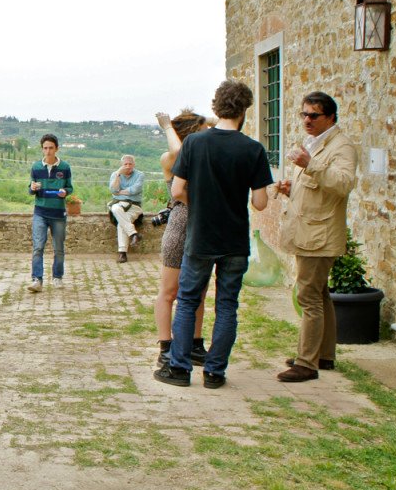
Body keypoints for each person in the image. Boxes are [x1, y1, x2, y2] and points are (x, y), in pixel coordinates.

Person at [155, 80, 273, 389]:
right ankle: (215, 372)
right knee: (227, 305)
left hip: (201, 236)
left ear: (215, 107)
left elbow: (178, 190)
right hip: (234, 240)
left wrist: (206, 202)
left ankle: (179, 369)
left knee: (188, 301)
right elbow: (260, 203)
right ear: (244, 110)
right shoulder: (254, 149)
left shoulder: (195, 144)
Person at [275, 92, 357, 382]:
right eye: (304, 114)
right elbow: (317, 189)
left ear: (330, 117)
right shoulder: (317, 143)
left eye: (314, 115)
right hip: (309, 231)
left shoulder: (341, 146)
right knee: (320, 294)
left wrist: (310, 164)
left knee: (308, 295)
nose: (307, 120)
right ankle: (323, 355)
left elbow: (344, 184)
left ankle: (306, 364)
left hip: (319, 235)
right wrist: (291, 189)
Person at [153, 111, 210, 367]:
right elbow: (177, 153)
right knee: (169, 292)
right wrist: (167, 127)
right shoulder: (170, 158)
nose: (208, 134)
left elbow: (228, 128)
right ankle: (165, 347)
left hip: (203, 228)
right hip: (180, 226)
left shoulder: (204, 157)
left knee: (199, 293)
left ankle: (196, 345)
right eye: (202, 130)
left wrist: (210, 120)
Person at [27, 134, 73, 292]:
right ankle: (37, 280)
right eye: (45, 148)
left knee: (58, 248)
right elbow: (30, 189)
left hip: (58, 214)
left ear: (57, 149)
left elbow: (70, 187)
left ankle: (57, 277)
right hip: (40, 212)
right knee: (38, 247)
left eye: (51, 148)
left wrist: (65, 192)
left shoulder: (65, 167)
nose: (48, 151)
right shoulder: (36, 167)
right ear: (42, 149)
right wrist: (32, 188)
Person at [108, 155, 144, 263]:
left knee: (116, 211)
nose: (128, 166)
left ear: (134, 164)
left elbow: (135, 190)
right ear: (122, 165)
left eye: (130, 164)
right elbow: (113, 190)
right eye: (125, 164)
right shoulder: (115, 174)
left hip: (134, 206)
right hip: (119, 205)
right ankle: (132, 235)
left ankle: (123, 253)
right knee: (117, 210)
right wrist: (118, 174)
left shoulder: (140, 175)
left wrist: (120, 192)